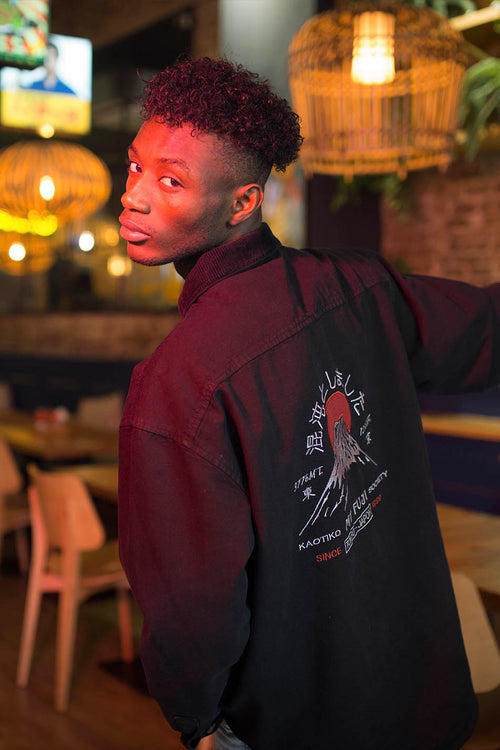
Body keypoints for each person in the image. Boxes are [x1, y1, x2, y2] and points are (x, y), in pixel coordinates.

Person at [118, 56, 500, 750]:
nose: (134, 196)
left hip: (291, 725)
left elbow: (193, 609)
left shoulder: (177, 382)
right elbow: (487, 330)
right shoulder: (360, 284)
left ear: (242, 203)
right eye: (135, 168)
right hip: (421, 698)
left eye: (170, 180)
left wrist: (196, 719)